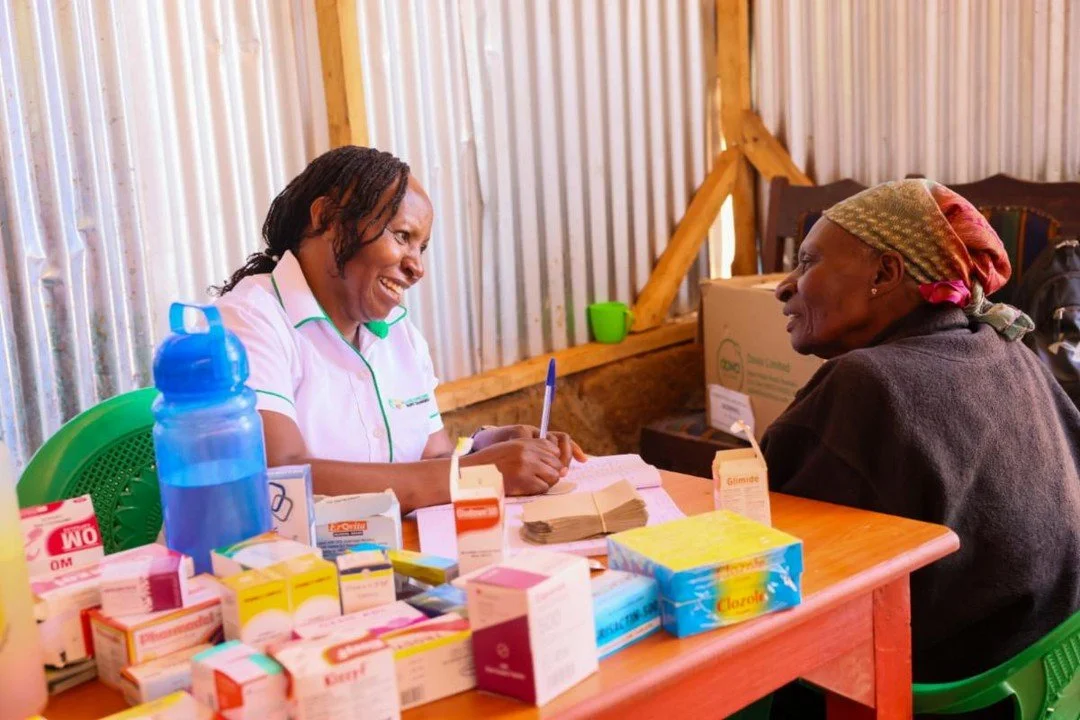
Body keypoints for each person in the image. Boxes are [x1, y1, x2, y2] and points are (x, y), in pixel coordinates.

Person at [762, 180, 1080, 715]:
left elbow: (758, 551)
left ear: (885, 274)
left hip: (937, 698)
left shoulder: (866, 382)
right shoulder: (1007, 349)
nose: (785, 287)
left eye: (807, 262)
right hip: (1041, 682)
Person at [214, 146, 585, 512]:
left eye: (422, 248)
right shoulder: (249, 320)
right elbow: (283, 476)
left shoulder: (397, 331)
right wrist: (481, 472)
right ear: (326, 218)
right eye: (403, 237)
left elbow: (433, 455)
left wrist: (489, 444)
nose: (417, 267)